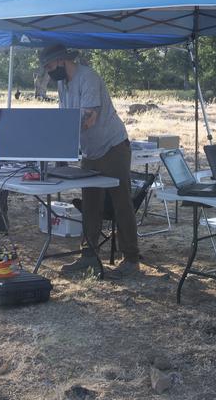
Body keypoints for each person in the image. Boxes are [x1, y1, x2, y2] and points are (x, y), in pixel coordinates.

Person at [39, 43, 141, 279]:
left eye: (50, 66)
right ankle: (89, 257)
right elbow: (64, 118)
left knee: (121, 203)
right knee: (90, 205)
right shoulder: (63, 85)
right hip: (90, 151)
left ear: (62, 60)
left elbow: (88, 119)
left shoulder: (89, 78)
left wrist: (63, 138)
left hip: (113, 147)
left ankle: (131, 260)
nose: (49, 71)